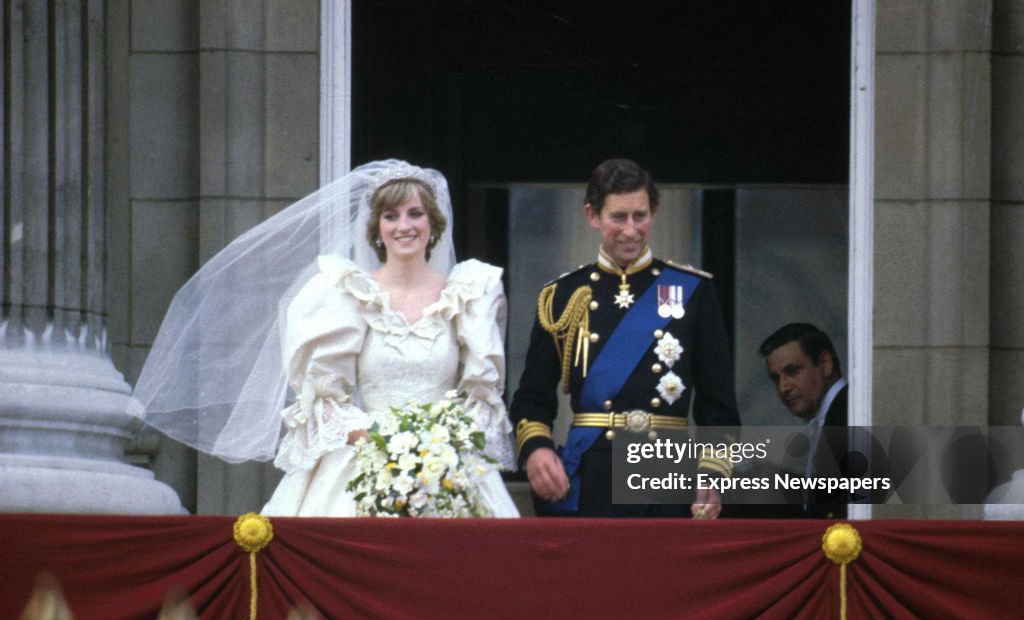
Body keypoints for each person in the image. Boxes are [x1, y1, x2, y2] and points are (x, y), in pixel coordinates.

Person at [132, 160, 519, 517]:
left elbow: (481, 399)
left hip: (446, 465)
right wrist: (378, 442)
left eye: (415, 213)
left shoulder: (468, 293)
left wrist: (439, 445)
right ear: (377, 228)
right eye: (391, 215)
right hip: (365, 456)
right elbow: (323, 398)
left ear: (433, 223)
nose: (404, 225)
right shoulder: (344, 293)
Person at [509, 158, 741, 518]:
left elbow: (719, 406)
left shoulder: (691, 291)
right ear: (593, 215)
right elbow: (532, 398)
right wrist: (537, 449)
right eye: (618, 217)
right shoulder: (564, 296)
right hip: (592, 471)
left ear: (655, 212)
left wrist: (713, 474)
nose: (631, 231)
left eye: (640, 216)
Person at [758, 322, 848, 518]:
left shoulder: (851, 412)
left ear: (825, 364)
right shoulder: (822, 422)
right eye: (776, 378)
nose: (784, 387)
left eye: (792, 371)